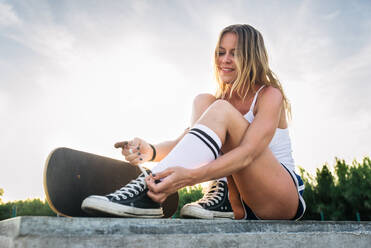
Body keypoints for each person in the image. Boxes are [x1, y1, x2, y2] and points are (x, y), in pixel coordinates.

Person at [81, 24, 306, 220]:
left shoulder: (269, 95)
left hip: (279, 197)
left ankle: (147, 190)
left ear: (251, 57)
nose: (224, 60)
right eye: (220, 52)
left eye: (234, 54)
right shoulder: (218, 104)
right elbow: (186, 144)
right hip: (239, 203)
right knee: (204, 101)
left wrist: (190, 177)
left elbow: (248, 153)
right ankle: (217, 197)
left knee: (219, 109)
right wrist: (149, 151)